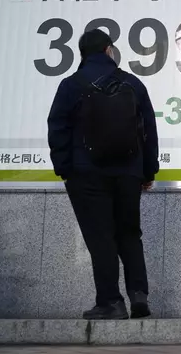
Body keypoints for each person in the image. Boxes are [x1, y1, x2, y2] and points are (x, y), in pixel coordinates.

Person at [47, 29, 160, 320]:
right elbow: (148, 130)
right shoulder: (133, 84)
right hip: (128, 173)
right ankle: (138, 295)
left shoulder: (71, 85)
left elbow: (57, 128)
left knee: (101, 238)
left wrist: (65, 170)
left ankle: (111, 302)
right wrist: (147, 171)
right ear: (109, 50)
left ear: (83, 54)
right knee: (129, 234)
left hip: (87, 174)